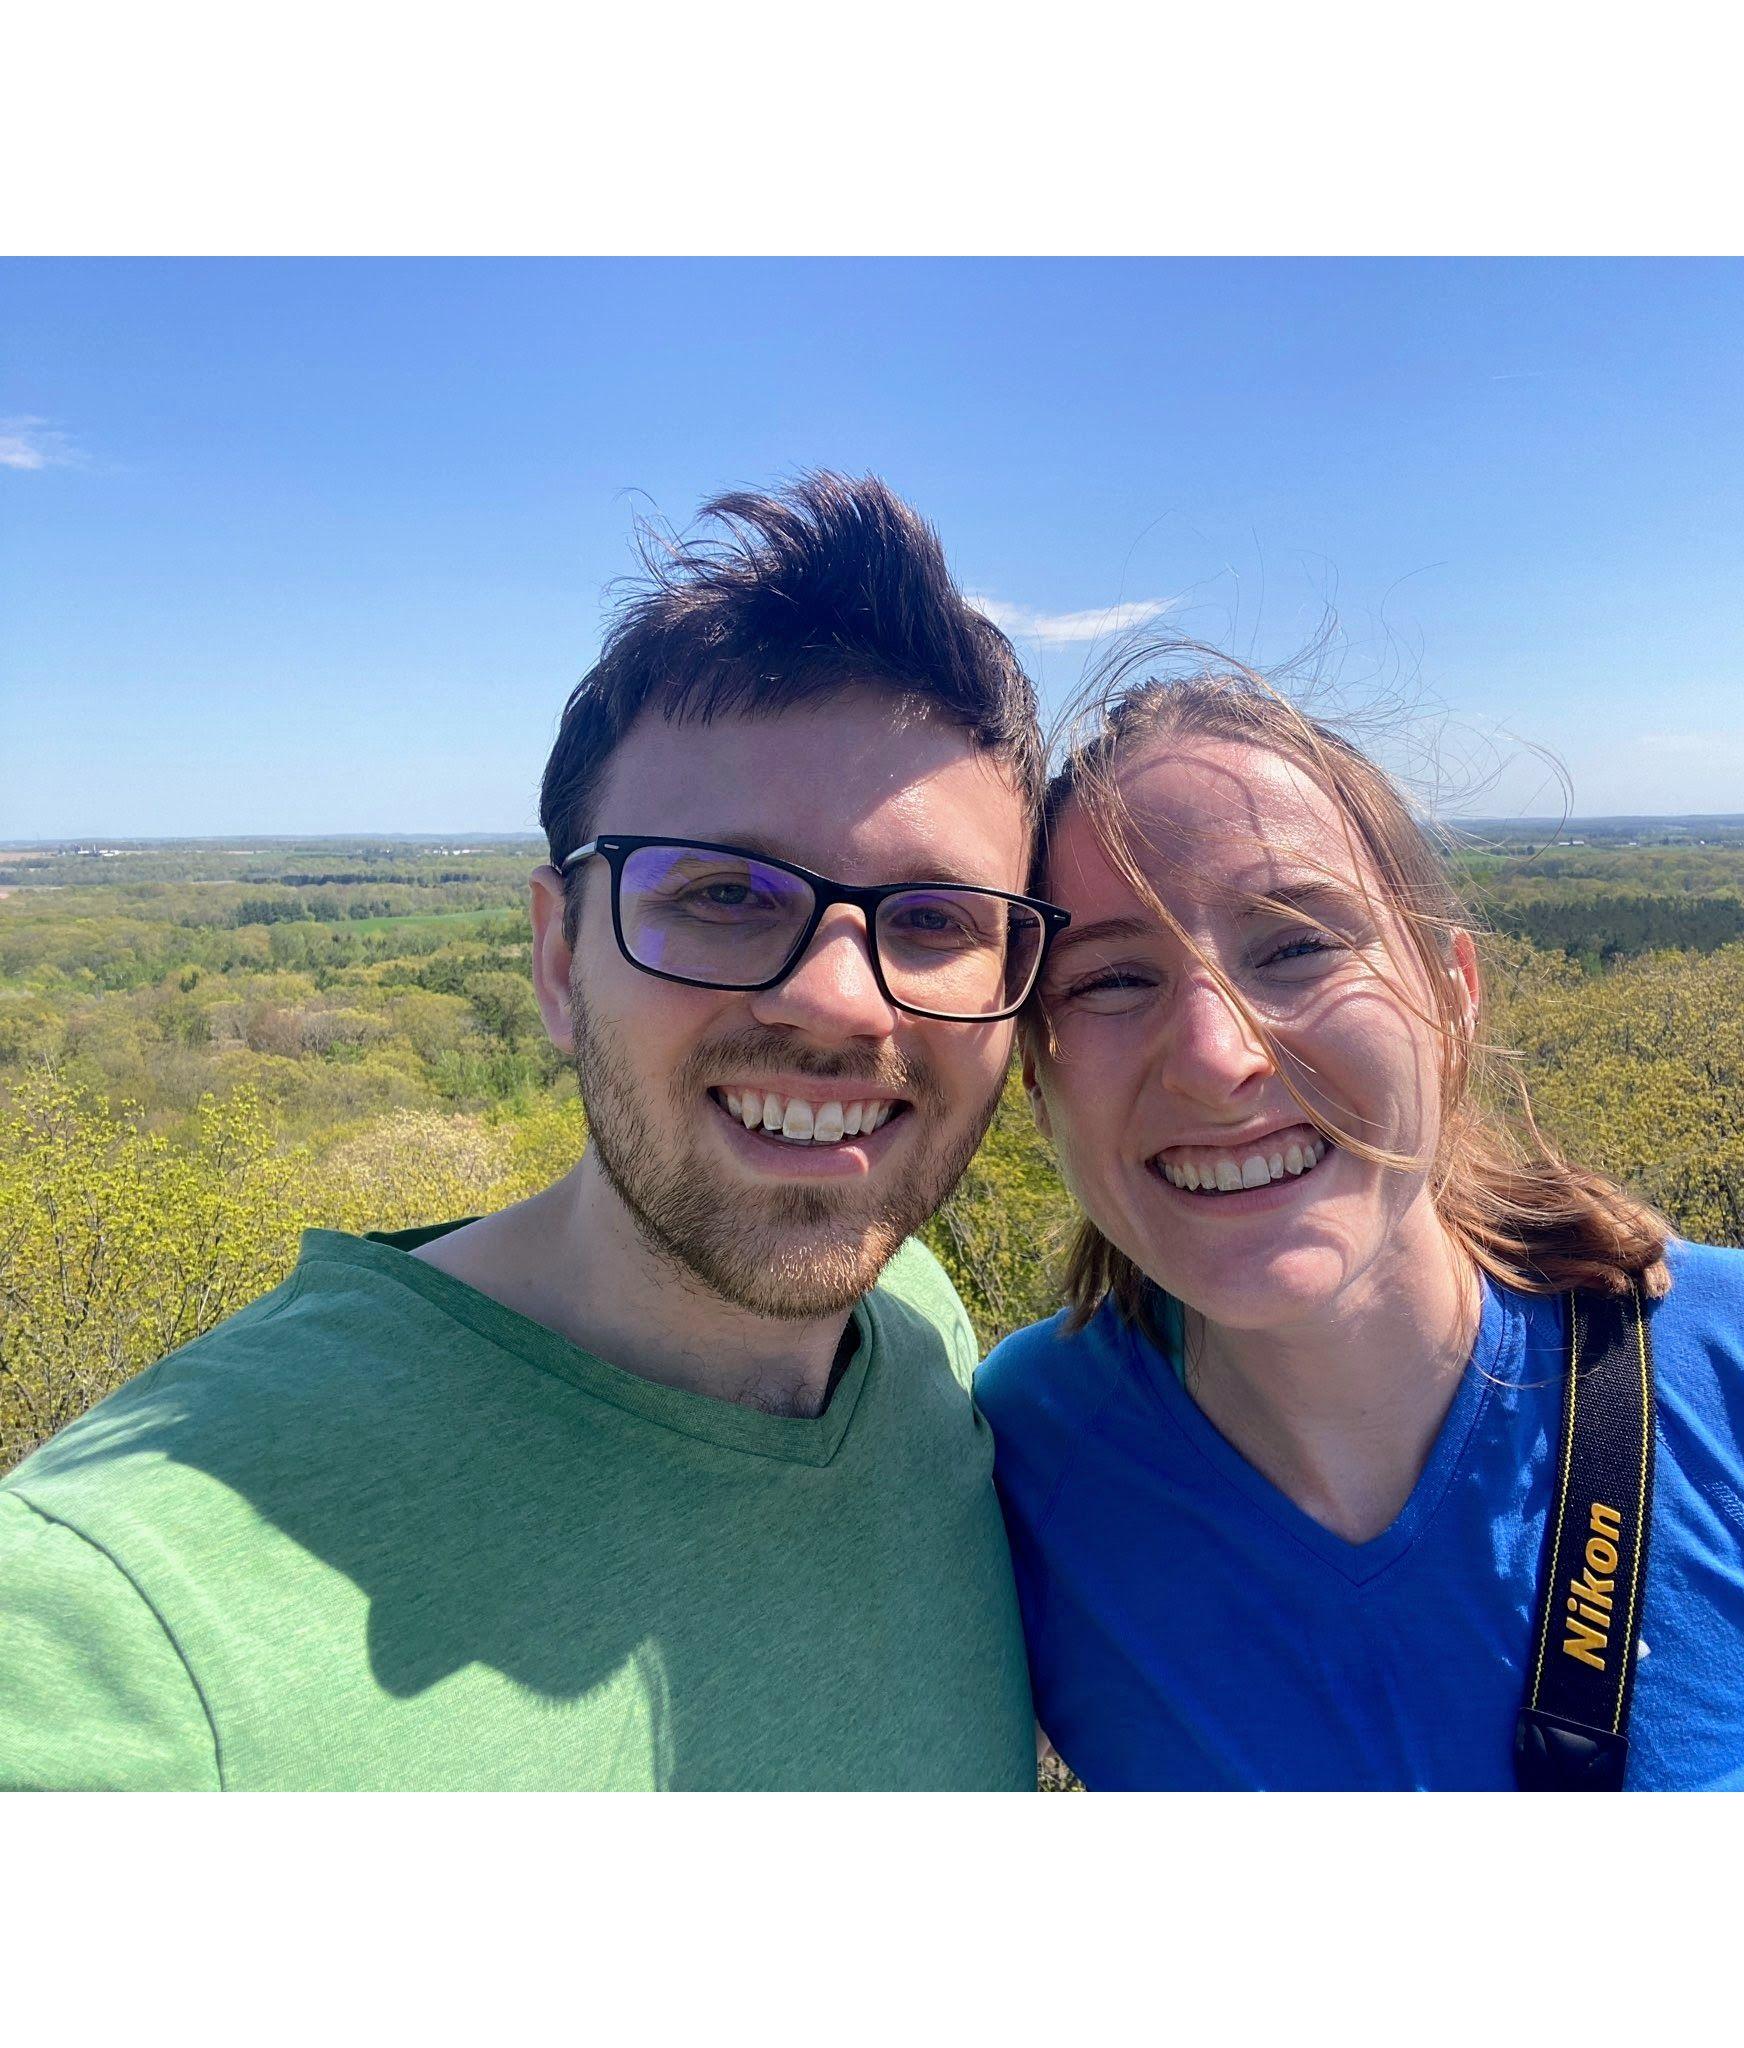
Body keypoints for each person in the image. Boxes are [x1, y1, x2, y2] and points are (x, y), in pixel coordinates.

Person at [0, 473, 1061, 1790]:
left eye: (936, 919)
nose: (837, 1000)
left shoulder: (921, 1337)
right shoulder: (126, 1613)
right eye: (724, 891)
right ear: (560, 960)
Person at [975, 662, 1744, 1790]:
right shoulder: (1016, 1463)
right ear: (1036, 1074)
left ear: (1450, 995)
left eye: (1293, 945)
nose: (1218, 1055)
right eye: (1112, 980)